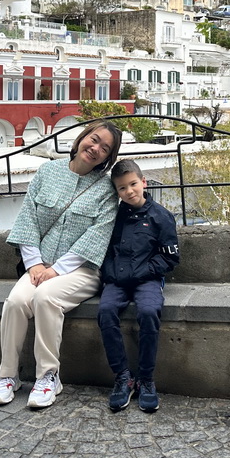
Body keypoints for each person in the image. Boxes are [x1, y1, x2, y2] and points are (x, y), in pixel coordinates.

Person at [0, 121, 123, 410]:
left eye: (105, 148)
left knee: (45, 298)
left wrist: (56, 270)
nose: (96, 148)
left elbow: (97, 236)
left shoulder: (106, 189)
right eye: (94, 139)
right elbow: (28, 220)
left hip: (82, 271)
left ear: (109, 157)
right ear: (82, 138)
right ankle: (8, 375)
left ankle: (48, 376)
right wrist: (35, 264)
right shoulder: (47, 172)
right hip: (39, 265)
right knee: (15, 302)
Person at [97, 160, 180, 413]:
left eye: (133, 184)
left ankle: (146, 378)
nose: (129, 191)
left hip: (148, 279)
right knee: (106, 311)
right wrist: (110, 273)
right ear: (117, 192)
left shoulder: (161, 216)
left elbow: (170, 257)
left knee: (148, 312)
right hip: (116, 280)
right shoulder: (113, 215)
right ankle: (123, 376)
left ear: (143, 182)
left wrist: (141, 272)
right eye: (122, 188)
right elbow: (104, 249)